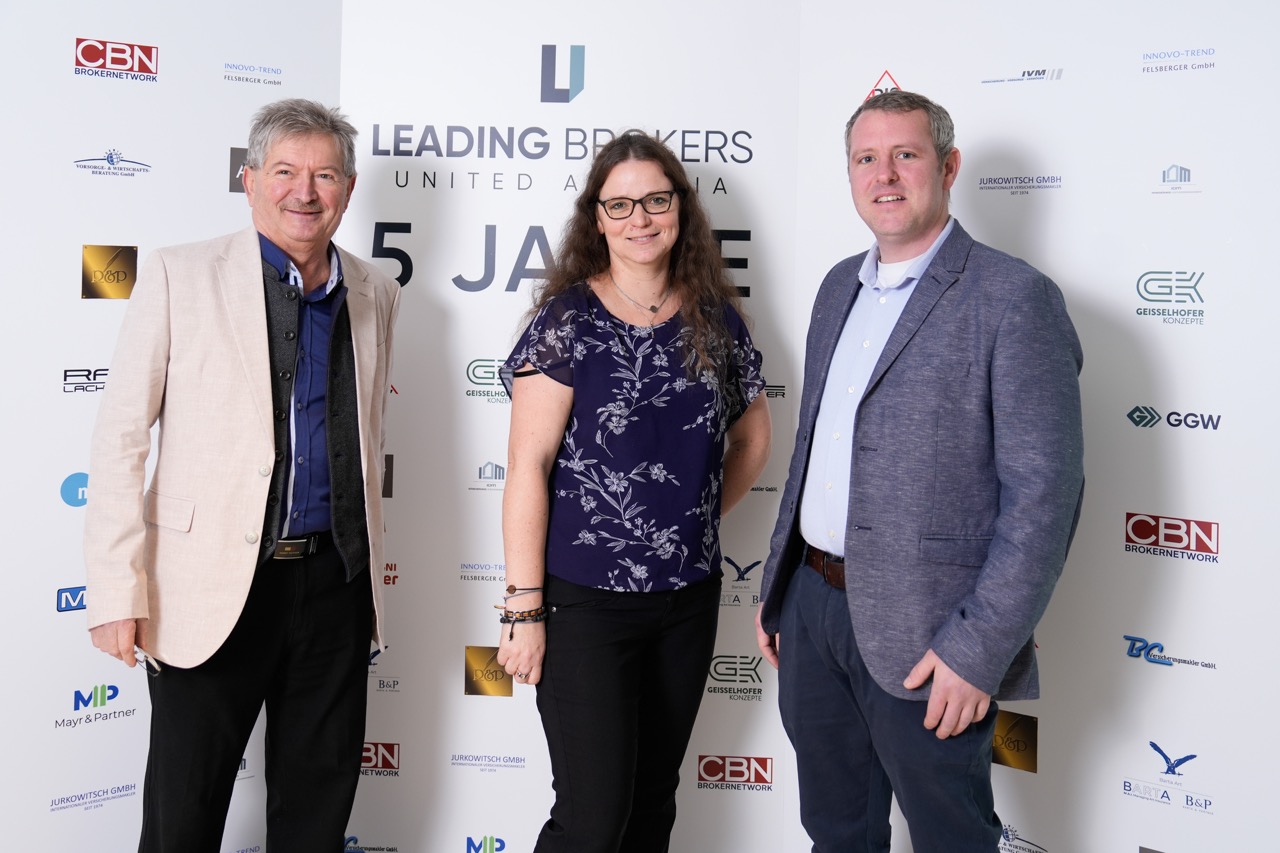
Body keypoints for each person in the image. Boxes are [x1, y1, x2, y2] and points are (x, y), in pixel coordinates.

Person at [755, 90, 1084, 853]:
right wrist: (780, 590)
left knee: (951, 839)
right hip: (813, 609)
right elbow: (815, 449)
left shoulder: (1014, 298)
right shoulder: (837, 286)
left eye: (905, 154)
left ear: (948, 166)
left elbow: (1045, 498)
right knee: (836, 833)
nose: (885, 175)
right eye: (866, 158)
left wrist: (979, 649)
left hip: (932, 634)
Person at [84, 98, 401, 852]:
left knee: (316, 816)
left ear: (349, 189)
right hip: (209, 586)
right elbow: (121, 438)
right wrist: (116, 590)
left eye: (325, 175)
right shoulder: (178, 274)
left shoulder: (376, 291)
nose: (305, 192)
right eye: (285, 172)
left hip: (335, 583)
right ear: (250, 179)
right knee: (183, 817)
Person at [497, 130, 772, 853]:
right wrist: (523, 608)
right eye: (619, 205)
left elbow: (752, 442)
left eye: (655, 200)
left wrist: (686, 520)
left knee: (652, 807)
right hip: (584, 603)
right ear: (597, 217)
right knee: (592, 820)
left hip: (688, 601)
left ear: (680, 208)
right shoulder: (568, 321)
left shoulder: (715, 319)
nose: (639, 218)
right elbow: (527, 464)